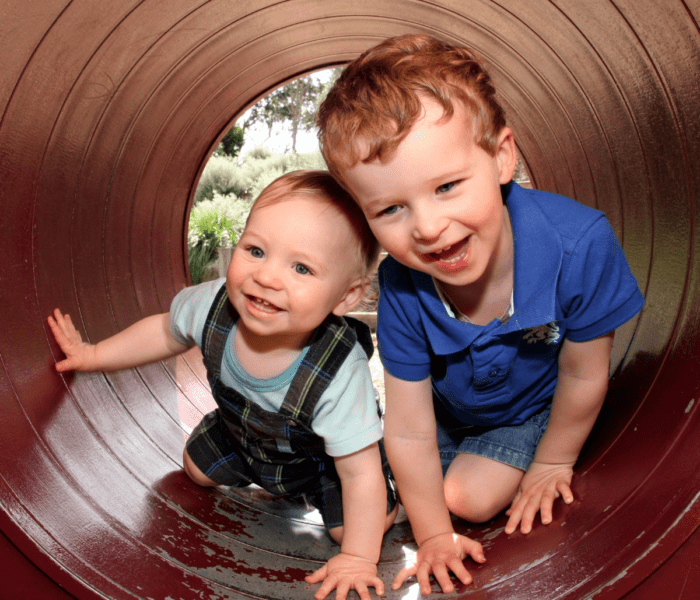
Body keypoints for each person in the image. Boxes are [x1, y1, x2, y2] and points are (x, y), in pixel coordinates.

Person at [316, 34, 645, 595]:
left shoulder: (578, 244)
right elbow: (411, 428)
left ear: (501, 157)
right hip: (449, 415)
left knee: (466, 497)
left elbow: (584, 372)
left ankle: (502, 461)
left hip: (531, 410)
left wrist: (552, 463)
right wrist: (434, 538)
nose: (425, 227)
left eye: (447, 186)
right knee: (361, 500)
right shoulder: (403, 284)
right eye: (391, 208)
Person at [48, 170, 399, 600]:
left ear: (346, 297)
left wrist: (360, 559)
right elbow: (162, 332)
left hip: (323, 463)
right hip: (242, 436)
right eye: (255, 250)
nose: (267, 277)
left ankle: (392, 500)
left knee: (350, 529)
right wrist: (93, 354)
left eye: (302, 267)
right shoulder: (213, 304)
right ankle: (256, 470)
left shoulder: (338, 373)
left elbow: (357, 471)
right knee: (194, 469)